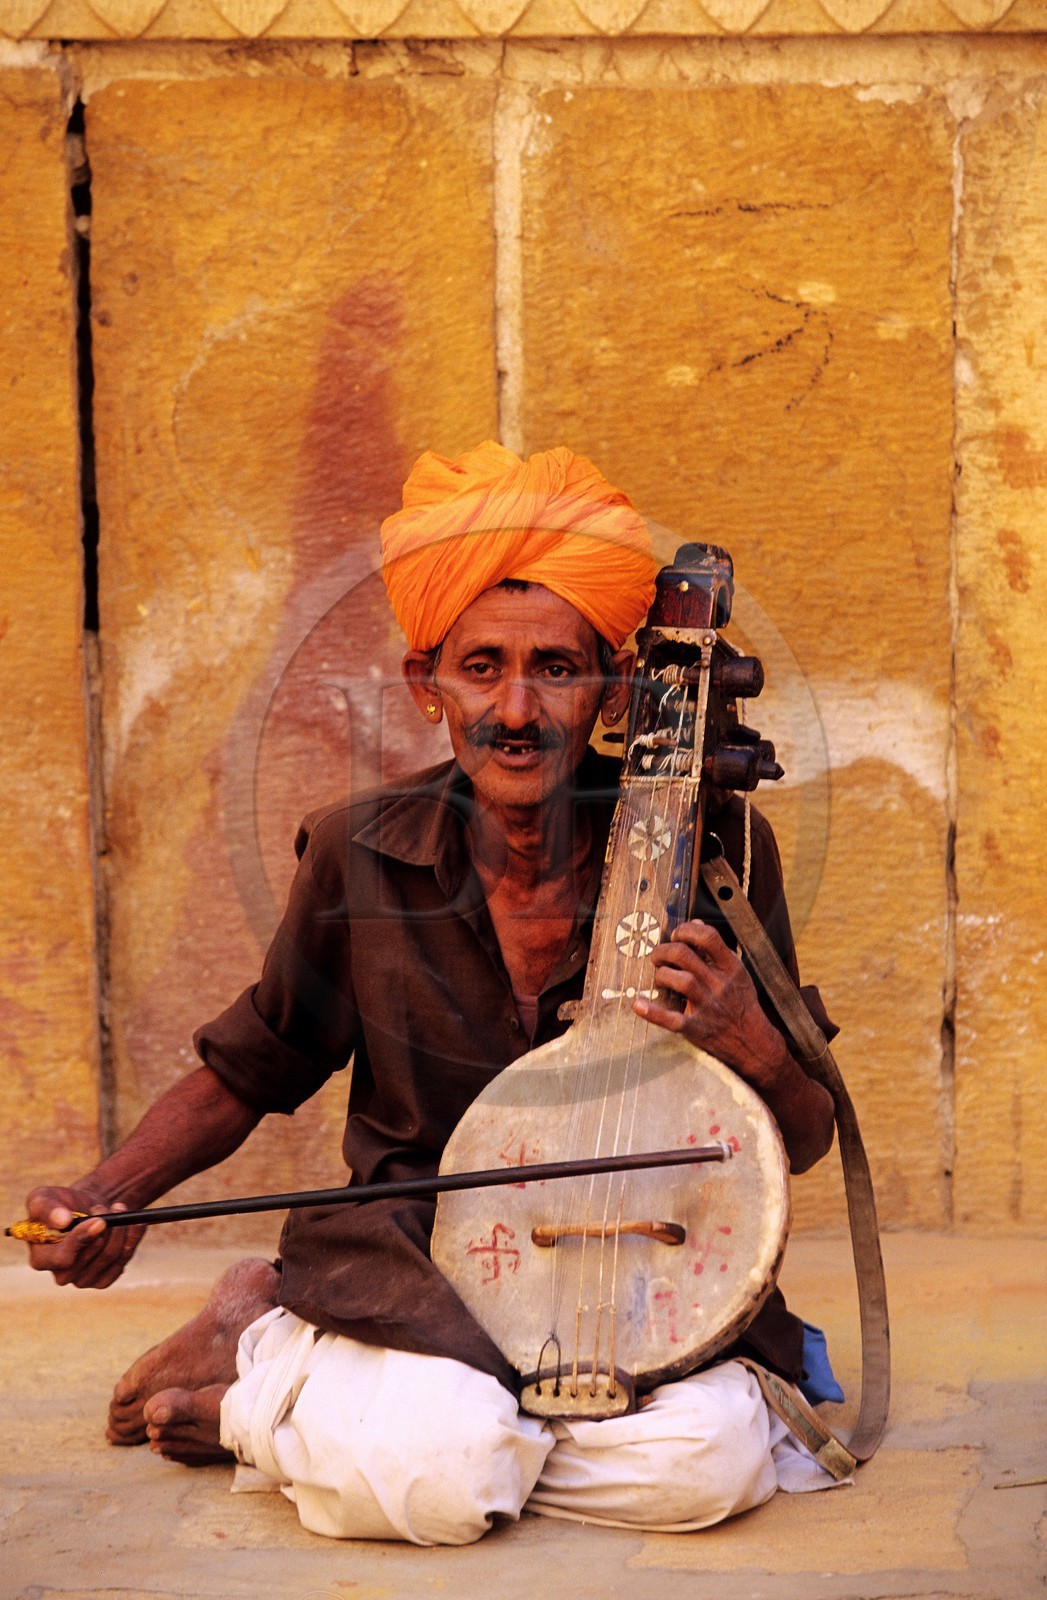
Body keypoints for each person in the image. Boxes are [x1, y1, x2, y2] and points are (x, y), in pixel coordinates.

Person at [23, 441, 840, 1544]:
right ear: (426, 685)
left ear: (610, 688)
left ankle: (271, 1412)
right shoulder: (358, 854)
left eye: (556, 667)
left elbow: (800, 1136)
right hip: (418, 1264)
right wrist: (109, 1190)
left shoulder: (719, 851)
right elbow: (253, 1064)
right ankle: (286, 1354)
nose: (516, 706)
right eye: (481, 666)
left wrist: (753, 1039)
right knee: (447, 1481)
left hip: (641, 1271)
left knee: (696, 1471)